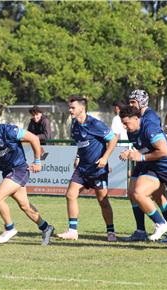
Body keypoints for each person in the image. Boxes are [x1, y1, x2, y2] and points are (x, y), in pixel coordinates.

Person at [0, 108, 55, 245]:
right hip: (8, 172)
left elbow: (34, 138)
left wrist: (37, 161)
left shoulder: (9, 130)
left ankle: (9, 228)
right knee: (25, 206)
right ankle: (46, 227)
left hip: (20, 169)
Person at [56, 97, 119, 242]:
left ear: (82, 109)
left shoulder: (95, 124)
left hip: (97, 169)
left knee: (103, 200)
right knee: (70, 194)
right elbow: (81, 143)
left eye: (72, 107)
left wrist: (105, 158)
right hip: (82, 168)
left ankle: (111, 232)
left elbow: (113, 139)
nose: (70, 110)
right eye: (69, 107)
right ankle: (72, 231)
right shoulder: (74, 124)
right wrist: (77, 156)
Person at [119, 105, 167, 241]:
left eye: (126, 123)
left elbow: (164, 151)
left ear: (136, 118)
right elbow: (145, 148)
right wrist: (132, 153)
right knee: (138, 193)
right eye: (123, 123)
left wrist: (141, 157)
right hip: (154, 166)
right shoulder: (131, 131)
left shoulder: (150, 127)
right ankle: (160, 224)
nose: (124, 126)